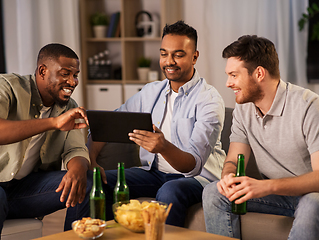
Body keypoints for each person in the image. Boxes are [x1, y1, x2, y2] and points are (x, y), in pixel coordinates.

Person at [82, 20, 226, 227]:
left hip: (198, 179)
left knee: (170, 190)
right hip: (154, 173)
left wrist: (163, 147)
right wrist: (90, 159)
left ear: (195, 57)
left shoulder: (209, 100)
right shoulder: (150, 92)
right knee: (96, 181)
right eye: (164, 54)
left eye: (178, 54)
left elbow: (193, 165)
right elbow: (108, 123)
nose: (169, 61)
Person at [0, 43, 92, 240]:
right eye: (65, 74)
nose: (73, 82)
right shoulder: (4, 85)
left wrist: (78, 169)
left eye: (75, 75)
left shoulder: (68, 107)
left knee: (85, 181)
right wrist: (53, 123)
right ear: (42, 71)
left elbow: (76, 149)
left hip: (18, 192)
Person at [202, 35, 319, 239]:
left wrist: (265, 186)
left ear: (258, 73)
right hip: (279, 197)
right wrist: (228, 177)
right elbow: (232, 160)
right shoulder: (243, 110)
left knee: (312, 203)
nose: (228, 83)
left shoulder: (309, 107)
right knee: (213, 193)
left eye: (233, 75)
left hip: (312, 196)